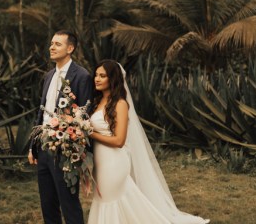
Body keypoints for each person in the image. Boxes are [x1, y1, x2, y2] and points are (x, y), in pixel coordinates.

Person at [88, 59, 209, 224]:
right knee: (103, 197)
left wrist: (89, 132)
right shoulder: (97, 102)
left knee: (112, 197)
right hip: (99, 160)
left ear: (113, 79)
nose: (97, 78)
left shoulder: (120, 104)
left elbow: (119, 141)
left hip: (114, 161)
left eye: (102, 76)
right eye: (96, 75)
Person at [28, 30, 93, 224]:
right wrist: (33, 146)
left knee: (68, 203)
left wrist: (77, 149)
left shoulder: (81, 76)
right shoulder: (48, 76)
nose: (51, 47)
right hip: (44, 148)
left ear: (70, 48)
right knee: (48, 204)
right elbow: (42, 112)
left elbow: (85, 113)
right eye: (51, 43)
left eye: (57, 44)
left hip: (66, 149)